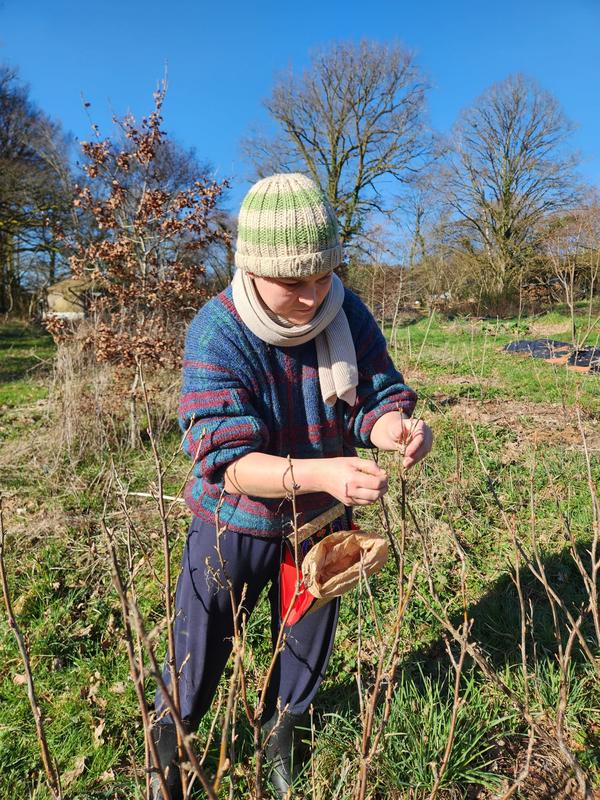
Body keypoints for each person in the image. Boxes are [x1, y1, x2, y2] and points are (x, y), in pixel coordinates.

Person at [151, 173, 432, 799]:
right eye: (292, 282)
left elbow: (374, 396)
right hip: (235, 523)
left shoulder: (345, 312)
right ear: (251, 269)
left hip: (319, 523)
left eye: (323, 276)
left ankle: (283, 732)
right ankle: (172, 740)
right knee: (199, 646)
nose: (311, 297)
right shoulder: (218, 332)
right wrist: (323, 472)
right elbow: (227, 461)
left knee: (305, 641)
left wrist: (394, 429)